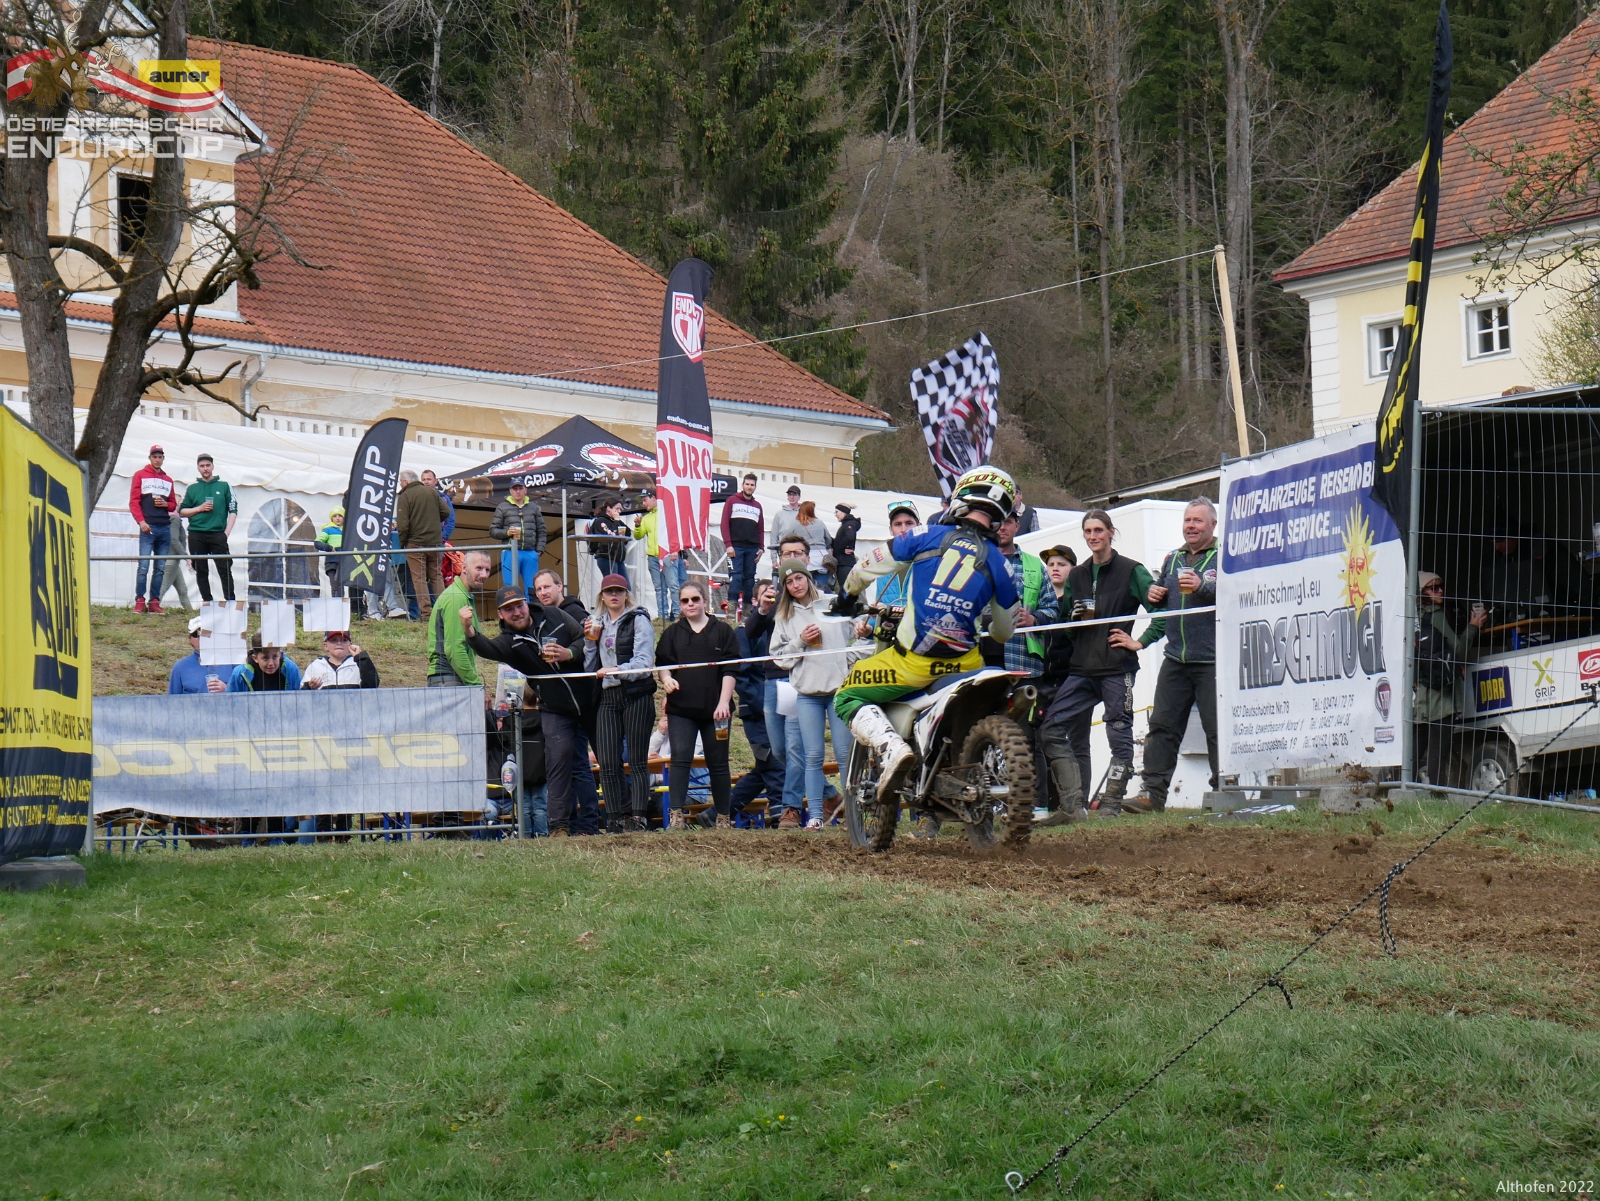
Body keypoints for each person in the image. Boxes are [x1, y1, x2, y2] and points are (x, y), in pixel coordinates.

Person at [834, 467, 1022, 803]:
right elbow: (1005, 630)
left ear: (960, 498)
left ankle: (892, 748)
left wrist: (846, 598)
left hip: (913, 665)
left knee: (846, 695)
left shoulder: (923, 535)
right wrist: (991, 625)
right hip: (967, 666)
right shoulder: (1000, 563)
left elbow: (865, 567)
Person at [1037, 510, 1160, 817]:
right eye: (1088, 531)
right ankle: (1073, 804)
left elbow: (1164, 612)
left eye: (1098, 530)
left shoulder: (1132, 570)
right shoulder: (1077, 574)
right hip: (1081, 669)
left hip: (1117, 667)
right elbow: (1067, 625)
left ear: (1110, 532)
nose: (1093, 536)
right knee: (1050, 728)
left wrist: (1139, 641)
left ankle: (1111, 805)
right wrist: (1076, 621)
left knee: (1118, 733)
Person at [461, 583, 597, 837]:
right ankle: (559, 828)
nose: (516, 612)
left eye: (519, 605)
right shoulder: (508, 642)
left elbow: (582, 638)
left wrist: (569, 653)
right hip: (555, 708)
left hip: (592, 697)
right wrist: (468, 629)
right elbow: (485, 648)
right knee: (558, 762)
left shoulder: (553, 614)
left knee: (603, 760)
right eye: (508, 609)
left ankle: (615, 820)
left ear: (527, 603)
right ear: (500, 614)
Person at [1125, 498, 1221, 814]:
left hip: (1212, 661)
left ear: (1213, 525)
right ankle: (1152, 796)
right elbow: (1162, 604)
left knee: (1216, 730)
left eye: (1198, 521)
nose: (1191, 526)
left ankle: (1222, 791)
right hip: (1176, 659)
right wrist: (1155, 595)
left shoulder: (1223, 556)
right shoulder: (1173, 558)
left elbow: (1231, 592)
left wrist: (1202, 586)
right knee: (1162, 727)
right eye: (1187, 520)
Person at [770, 559, 859, 828]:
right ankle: (816, 816)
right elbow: (779, 658)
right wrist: (801, 641)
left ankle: (853, 814)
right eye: (789, 581)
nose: (795, 585)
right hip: (807, 694)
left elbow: (862, 631)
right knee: (812, 756)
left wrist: (851, 658)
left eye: (798, 578)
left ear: (808, 578)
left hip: (838, 692)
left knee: (844, 754)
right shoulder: (784, 617)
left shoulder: (832, 603)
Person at [746, 539, 819, 827]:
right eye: (785, 553)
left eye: (796, 553)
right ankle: (828, 794)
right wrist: (762, 609)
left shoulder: (820, 600)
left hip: (803, 680)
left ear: (807, 558)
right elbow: (751, 632)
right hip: (774, 680)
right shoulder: (776, 599)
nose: (790, 557)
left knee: (794, 748)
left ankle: (791, 807)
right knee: (778, 749)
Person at [657, 579, 740, 827]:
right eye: (685, 601)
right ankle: (676, 816)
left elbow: (730, 669)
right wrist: (666, 679)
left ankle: (723, 817)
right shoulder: (672, 633)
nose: (690, 604)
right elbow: (663, 665)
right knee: (680, 759)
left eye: (695, 599)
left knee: (718, 762)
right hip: (681, 710)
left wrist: (724, 702)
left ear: (705, 600)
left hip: (717, 711)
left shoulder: (723, 631)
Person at [529, 570, 604, 833]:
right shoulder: (543, 618)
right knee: (568, 764)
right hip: (560, 702)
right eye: (539, 589)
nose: (543, 592)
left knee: (579, 764)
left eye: (547, 587)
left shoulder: (573, 612)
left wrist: (570, 653)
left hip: (584, 699)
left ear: (560, 586)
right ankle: (571, 822)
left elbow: (591, 645)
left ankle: (588, 822)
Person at [584, 574, 658, 832]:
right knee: (606, 761)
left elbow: (645, 661)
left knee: (637, 761)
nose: (614, 595)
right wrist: (589, 641)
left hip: (636, 694)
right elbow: (589, 666)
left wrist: (617, 670)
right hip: (607, 695)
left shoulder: (639, 620)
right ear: (602, 596)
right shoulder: (597, 623)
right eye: (609, 591)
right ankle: (614, 818)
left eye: (618, 591)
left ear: (626, 594)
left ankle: (639, 817)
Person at [1028, 544, 1084, 827]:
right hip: (1043, 678)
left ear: (1072, 568)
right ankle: (1046, 804)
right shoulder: (1042, 603)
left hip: (1072, 677)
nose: (1055, 568)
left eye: (1061, 563)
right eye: (1050, 564)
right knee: (1039, 738)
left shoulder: (1077, 601)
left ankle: (1078, 805)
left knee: (1077, 740)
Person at [1415, 569, 1486, 787]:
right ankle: (1437, 794)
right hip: (1441, 696)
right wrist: (1473, 627)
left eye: (1441, 586)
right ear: (1422, 592)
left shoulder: (1412, 616)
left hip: (1420, 696)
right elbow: (1458, 650)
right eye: (1433, 588)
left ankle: (1400, 788)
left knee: (1415, 752)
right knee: (1439, 752)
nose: (1440, 591)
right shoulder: (1436, 614)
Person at [732, 605, 788, 824]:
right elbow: (741, 673)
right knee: (771, 761)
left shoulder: (781, 629)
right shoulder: (743, 632)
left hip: (782, 704)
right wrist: (761, 704)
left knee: (766, 768)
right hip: (755, 711)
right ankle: (778, 814)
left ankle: (717, 813)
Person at [982, 510, 1046, 676]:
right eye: (998, 523)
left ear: (1017, 526)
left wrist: (1034, 619)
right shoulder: (976, 562)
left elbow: (1052, 607)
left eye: (1008, 522)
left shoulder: (1035, 565)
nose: (1002, 528)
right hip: (981, 658)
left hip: (1023, 659)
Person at [428, 549, 492, 687]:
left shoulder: (463, 595)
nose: (484, 575)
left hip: (450, 678)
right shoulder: (456, 597)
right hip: (449, 679)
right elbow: (454, 649)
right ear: (464, 568)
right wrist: (476, 686)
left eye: (487, 570)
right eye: (479, 568)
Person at [179, 453, 237, 603]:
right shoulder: (192, 488)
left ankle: (231, 602)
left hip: (218, 533)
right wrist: (199, 508)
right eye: (202, 466)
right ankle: (208, 603)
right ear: (198, 468)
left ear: (213, 467)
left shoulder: (224, 486)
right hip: (196, 533)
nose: (205, 469)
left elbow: (233, 509)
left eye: (207, 465)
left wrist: (226, 533)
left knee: (224, 568)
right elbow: (182, 511)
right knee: (201, 570)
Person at [397, 468, 451, 620]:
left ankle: (426, 614)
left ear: (405, 482)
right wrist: (433, 521)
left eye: (401, 482)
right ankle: (443, 610)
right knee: (436, 576)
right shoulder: (432, 492)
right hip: (434, 542)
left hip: (415, 543)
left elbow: (403, 525)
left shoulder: (405, 496)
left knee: (419, 578)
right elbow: (446, 512)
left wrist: (403, 542)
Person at [130, 444, 176, 614]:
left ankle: (154, 601)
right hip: (148, 527)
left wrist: (166, 504)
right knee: (144, 565)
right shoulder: (140, 475)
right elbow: (134, 502)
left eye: (160, 457)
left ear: (163, 458)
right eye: (155, 457)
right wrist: (141, 521)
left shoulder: (168, 480)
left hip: (164, 527)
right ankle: (140, 600)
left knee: (160, 567)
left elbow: (173, 504)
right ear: (150, 458)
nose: (157, 459)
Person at [720, 473, 766, 615]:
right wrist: (728, 544)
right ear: (743, 485)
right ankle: (731, 613)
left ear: (755, 487)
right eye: (747, 484)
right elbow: (724, 524)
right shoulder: (732, 501)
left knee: (749, 580)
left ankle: (747, 614)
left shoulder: (758, 506)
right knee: (736, 578)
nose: (749, 487)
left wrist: (761, 548)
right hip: (736, 547)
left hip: (752, 548)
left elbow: (760, 529)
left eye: (752, 485)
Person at [491, 479, 545, 590]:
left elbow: (542, 529)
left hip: (530, 552)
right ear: (510, 491)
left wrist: (539, 550)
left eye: (520, 488)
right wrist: (507, 532)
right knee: (510, 587)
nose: (518, 491)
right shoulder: (502, 507)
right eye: (515, 489)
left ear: (525, 490)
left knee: (532, 588)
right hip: (510, 551)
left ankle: (531, 603)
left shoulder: (533, 507)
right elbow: (493, 530)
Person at [169, 615, 228, 694]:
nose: (201, 638)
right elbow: (172, 699)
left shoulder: (232, 663)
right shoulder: (180, 668)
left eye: (205, 633)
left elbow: (244, 694)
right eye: (196, 635)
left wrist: (227, 689)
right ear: (190, 639)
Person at [302, 630, 380, 689]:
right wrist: (309, 686)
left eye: (344, 640)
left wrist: (360, 658)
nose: (339, 643)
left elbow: (373, 685)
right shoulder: (315, 666)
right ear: (325, 646)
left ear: (350, 644)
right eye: (334, 640)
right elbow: (302, 695)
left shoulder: (359, 664)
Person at [228, 635, 303, 691]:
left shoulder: (291, 669)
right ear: (255, 658)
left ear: (280, 654)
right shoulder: (240, 674)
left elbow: (300, 695)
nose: (271, 663)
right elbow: (230, 700)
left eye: (275, 657)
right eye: (265, 658)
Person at [588, 497, 630, 582]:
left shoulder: (615, 521)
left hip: (619, 557)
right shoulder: (600, 521)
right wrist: (617, 522)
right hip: (607, 556)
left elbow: (628, 532)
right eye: (617, 509)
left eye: (620, 509)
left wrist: (618, 522)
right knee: (613, 584)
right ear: (608, 508)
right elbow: (613, 536)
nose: (619, 511)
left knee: (626, 586)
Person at [831, 503, 860, 594]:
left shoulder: (849, 524)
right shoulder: (846, 524)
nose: (835, 514)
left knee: (845, 589)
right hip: (843, 562)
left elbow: (850, 536)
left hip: (845, 563)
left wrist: (841, 548)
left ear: (843, 513)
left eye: (837, 512)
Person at [421, 470, 456, 541]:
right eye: (423, 480)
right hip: (418, 540)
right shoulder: (415, 497)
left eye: (429, 479)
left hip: (436, 541)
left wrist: (443, 537)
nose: (426, 482)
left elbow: (450, 521)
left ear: (435, 481)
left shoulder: (444, 498)